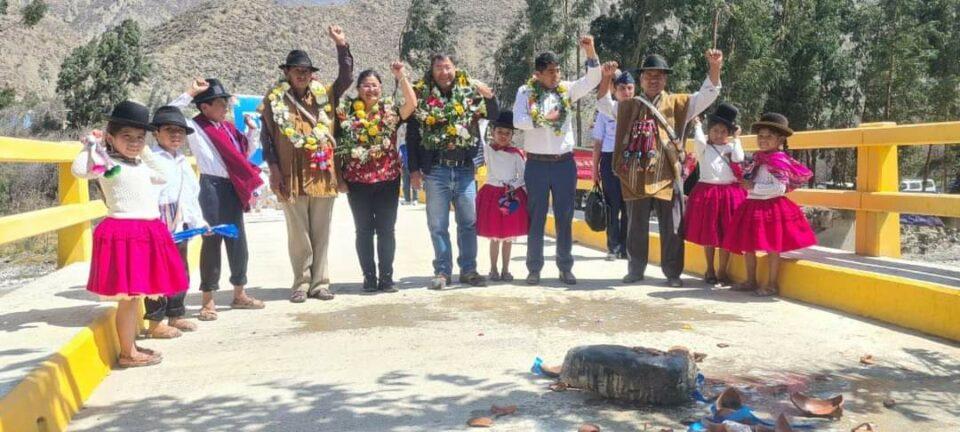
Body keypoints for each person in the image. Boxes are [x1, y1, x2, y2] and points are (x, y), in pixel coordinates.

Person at [71, 101, 187, 367]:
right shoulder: (107, 164)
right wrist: (91, 145)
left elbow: (163, 175)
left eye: (140, 137)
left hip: (145, 231)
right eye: (127, 136)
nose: (134, 142)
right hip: (125, 233)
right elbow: (79, 170)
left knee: (135, 297)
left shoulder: (140, 164)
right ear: (111, 137)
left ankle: (130, 346)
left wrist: (143, 150)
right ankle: (127, 353)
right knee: (128, 299)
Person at [597, 49, 724, 287]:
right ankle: (635, 270)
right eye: (648, 75)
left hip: (668, 173)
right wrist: (605, 78)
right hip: (636, 175)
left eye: (658, 76)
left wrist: (715, 67)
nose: (653, 80)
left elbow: (708, 94)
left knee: (672, 226)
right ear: (641, 79)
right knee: (635, 226)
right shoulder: (629, 106)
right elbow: (604, 104)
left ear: (665, 79)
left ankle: (673, 273)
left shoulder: (679, 103)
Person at [259, 25, 354, 303]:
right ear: (287, 73)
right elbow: (267, 138)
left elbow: (346, 77)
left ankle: (320, 284)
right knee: (298, 234)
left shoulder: (325, 95)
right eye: (296, 70)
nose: (301, 74)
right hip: (290, 175)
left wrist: (341, 45)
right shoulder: (274, 100)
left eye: (306, 70)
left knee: (321, 232)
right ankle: (301, 283)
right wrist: (274, 170)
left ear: (312, 74)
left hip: (322, 174)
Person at [170, 77, 263, 319]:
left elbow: (244, 154)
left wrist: (252, 131)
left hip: (232, 187)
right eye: (220, 104)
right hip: (211, 187)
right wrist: (190, 92)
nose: (225, 108)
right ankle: (208, 300)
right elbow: (169, 113)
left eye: (225, 103)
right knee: (212, 239)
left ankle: (239, 292)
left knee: (237, 240)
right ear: (205, 107)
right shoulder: (195, 127)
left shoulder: (228, 129)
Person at [512, 36, 602, 286]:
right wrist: (542, 119)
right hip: (537, 165)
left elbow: (593, 79)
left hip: (564, 164)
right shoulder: (525, 92)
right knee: (536, 216)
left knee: (564, 215)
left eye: (558, 70)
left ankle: (565, 267)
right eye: (551, 72)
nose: (556, 75)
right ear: (538, 74)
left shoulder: (567, 89)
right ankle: (534, 268)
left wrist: (590, 52)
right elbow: (518, 120)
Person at [407, 53, 499, 290]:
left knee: (468, 223)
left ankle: (468, 270)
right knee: (438, 225)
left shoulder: (469, 93)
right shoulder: (422, 97)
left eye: (447, 67)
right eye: (439, 68)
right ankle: (442, 271)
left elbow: (493, 115)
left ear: (455, 69)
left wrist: (489, 97)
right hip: (436, 170)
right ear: (432, 71)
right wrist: (414, 170)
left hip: (465, 170)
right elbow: (412, 136)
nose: (444, 72)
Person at [337, 62, 417, 293]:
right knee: (363, 231)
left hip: (387, 179)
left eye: (375, 85)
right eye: (365, 85)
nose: (370, 90)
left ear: (381, 88)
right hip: (357, 181)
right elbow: (336, 144)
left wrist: (401, 76)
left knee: (386, 230)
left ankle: (386, 278)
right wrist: (339, 178)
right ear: (358, 89)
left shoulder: (390, 111)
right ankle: (369, 277)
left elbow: (412, 104)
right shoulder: (346, 113)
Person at [722, 113, 817, 296]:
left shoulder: (779, 160)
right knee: (748, 245)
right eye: (760, 136)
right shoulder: (757, 158)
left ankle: (772, 284)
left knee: (773, 247)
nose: (763, 140)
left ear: (780, 139)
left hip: (770, 207)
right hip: (752, 205)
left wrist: (753, 187)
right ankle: (751, 280)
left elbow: (780, 188)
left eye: (769, 136)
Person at [144, 106, 209, 338]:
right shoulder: (150, 159)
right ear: (157, 133)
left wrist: (199, 221)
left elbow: (190, 194)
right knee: (157, 272)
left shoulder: (182, 161)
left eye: (180, 131)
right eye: (170, 130)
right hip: (158, 222)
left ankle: (176, 313)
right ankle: (155, 322)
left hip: (180, 225)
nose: (176, 135)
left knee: (180, 270)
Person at [683, 103, 745, 286]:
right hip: (709, 193)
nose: (719, 134)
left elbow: (739, 158)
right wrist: (697, 125)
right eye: (715, 130)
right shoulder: (703, 149)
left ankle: (722, 271)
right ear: (709, 130)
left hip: (729, 194)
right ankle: (709, 268)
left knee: (727, 234)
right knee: (709, 233)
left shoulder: (731, 148)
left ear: (729, 133)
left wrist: (737, 139)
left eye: (723, 131)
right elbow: (699, 141)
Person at [477, 111, 528, 282]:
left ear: (512, 135)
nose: (503, 136)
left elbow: (523, 175)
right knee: (494, 236)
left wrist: (513, 186)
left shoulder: (516, 154)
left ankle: (506, 269)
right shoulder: (488, 150)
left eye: (507, 133)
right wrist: (481, 120)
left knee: (508, 237)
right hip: (492, 194)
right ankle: (493, 269)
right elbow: (479, 136)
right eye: (499, 132)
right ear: (493, 132)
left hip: (510, 195)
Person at [591, 70, 634, 261]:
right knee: (612, 205)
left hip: (631, 161)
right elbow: (598, 143)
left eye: (629, 88)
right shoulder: (605, 112)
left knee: (628, 206)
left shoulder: (639, 110)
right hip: (609, 160)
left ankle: (626, 248)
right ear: (614, 90)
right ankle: (613, 247)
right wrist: (594, 170)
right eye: (622, 88)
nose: (626, 92)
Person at [398, 124, 419, 205]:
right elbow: (399, 156)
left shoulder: (415, 145)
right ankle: (407, 199)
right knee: (405, 184)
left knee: (414, 183)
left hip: (413, 166)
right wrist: (400, 167)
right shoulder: (402, 146)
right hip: (405, 167)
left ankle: (415, 199)